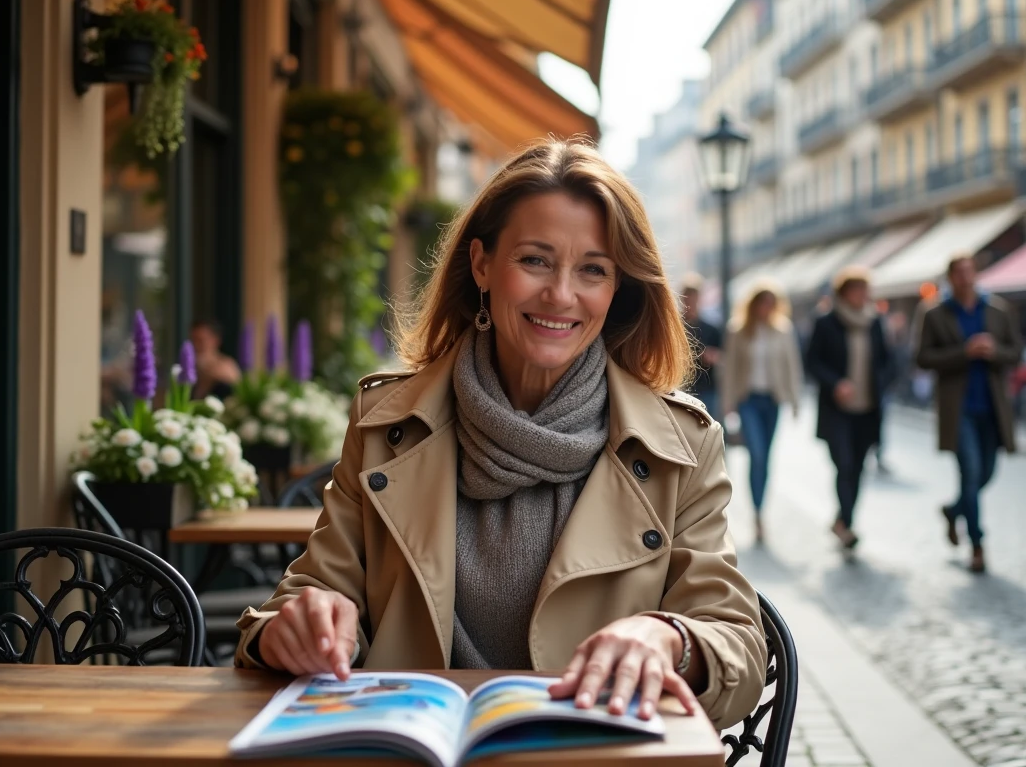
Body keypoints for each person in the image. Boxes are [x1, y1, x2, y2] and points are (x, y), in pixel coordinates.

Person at [234, 140, 767, 730]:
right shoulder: (384, 422)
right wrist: (299, 626)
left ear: (618, 288)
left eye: (593, 270)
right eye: (535, 260)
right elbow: (304, 597)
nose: (561, 294)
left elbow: (740, 649)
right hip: (406, 747)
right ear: (482, 264)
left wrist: (669, 639)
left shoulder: (682, 445)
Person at [915, 253, 1021, 574]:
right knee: (970, 472)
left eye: (969, 271)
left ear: (976, 274)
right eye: (958, 273)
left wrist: (994, 351)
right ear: (950, 278)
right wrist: (964, 352)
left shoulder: (998, 310)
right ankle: (977, 544)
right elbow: (922, 358)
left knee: (986, 473)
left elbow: (1015, 352)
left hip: (992, 406)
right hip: (957, 408)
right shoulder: (935, 313)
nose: (965, 278)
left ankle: (953, 510)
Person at [805, 267, 893, 554]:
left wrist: (879, 383)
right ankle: (847, 524)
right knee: (843, 464)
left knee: (857, 467)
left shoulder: (875, 322)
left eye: (864, 290)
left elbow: (889, 361)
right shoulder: (826, 322)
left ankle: (843, 521)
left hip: (868, 408)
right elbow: (813, 361)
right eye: (856, 290)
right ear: (843, 293)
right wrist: (836, 384)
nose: (861, 295)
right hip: (837, 409)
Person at [721, 281, 802, 544]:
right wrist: (728, 403)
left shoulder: (783, 331)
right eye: (762, 303)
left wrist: (795, 400)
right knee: (756, 453)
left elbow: (792, 365)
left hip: (772, 400)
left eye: (771, 303)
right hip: (748, 401)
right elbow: (730, 368)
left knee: (765, 457)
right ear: (753, 305)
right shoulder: (738, 330)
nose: (766, 308)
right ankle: (756, 513)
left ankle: (760, 511)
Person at [680, 273, 723, 415]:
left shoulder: (711, 328)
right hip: (682, 387)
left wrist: (712, 356)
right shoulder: (675, 327)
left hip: (707, 387)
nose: (690, 302)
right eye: (687, 298)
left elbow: (723, 355)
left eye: (693, 298)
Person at [189, 319, 242, 401]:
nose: (196, 346)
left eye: (201, 340)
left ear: (215, 340)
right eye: (193, 340)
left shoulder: (227, 366)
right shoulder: (191, 369)